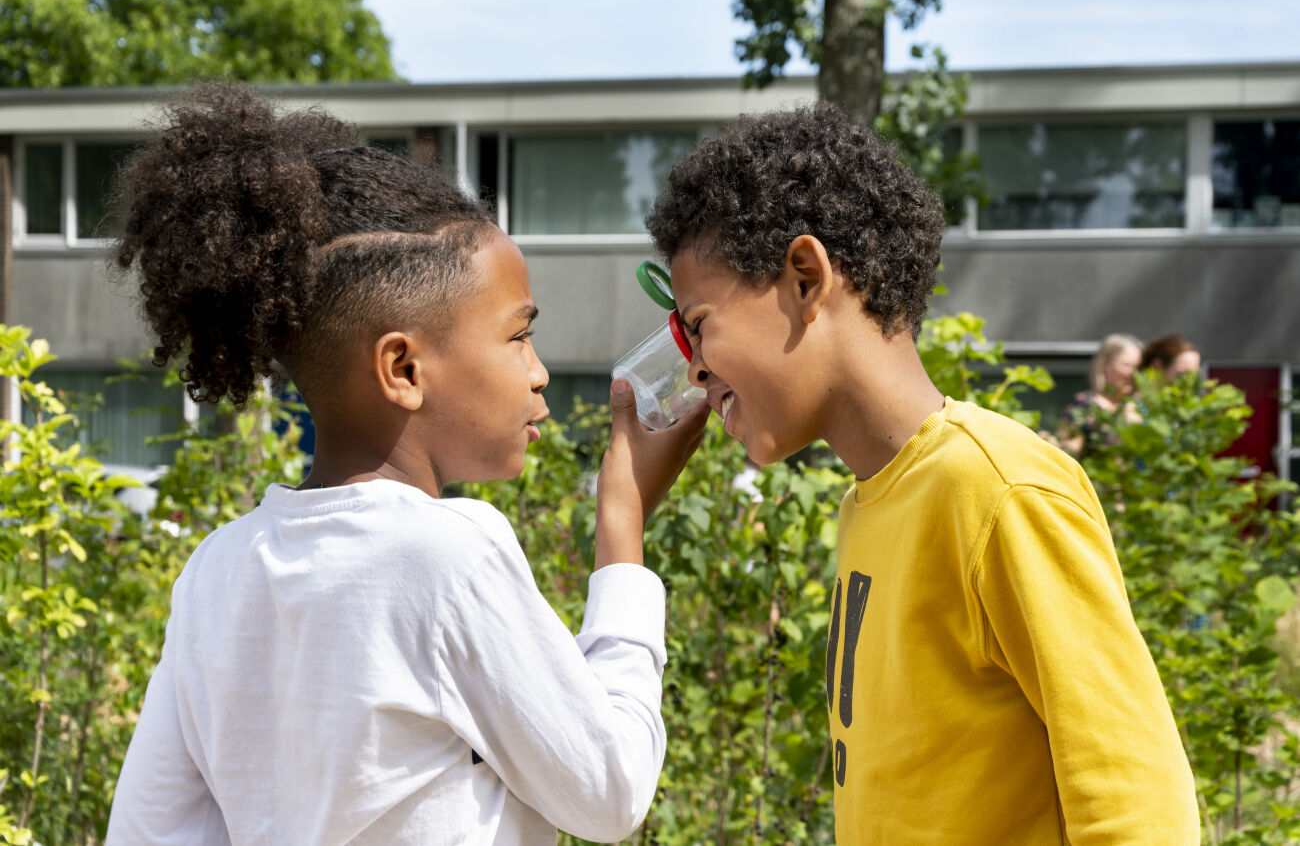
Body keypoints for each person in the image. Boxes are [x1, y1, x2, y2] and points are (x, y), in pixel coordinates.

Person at [105, 84, 708, 845]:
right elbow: (611, 789)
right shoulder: (447, 551)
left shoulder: (214, 572)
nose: (539, 372)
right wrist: (622, 522)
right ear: (403, 369)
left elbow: (151, 831)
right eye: (519, 336)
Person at [644, 103, 1199, 844]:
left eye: (699, 323)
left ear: (807, 278)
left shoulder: (999, 490)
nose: (694, 365)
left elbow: (1140, 806)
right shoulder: (866, 505)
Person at [1057, 332, 1143, 455]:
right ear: (1105, 363)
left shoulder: (1141, 406)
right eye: (1127, 365)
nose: (1133, 374)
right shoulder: (1084, 404)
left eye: (1137, 367)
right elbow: (1067, 453)